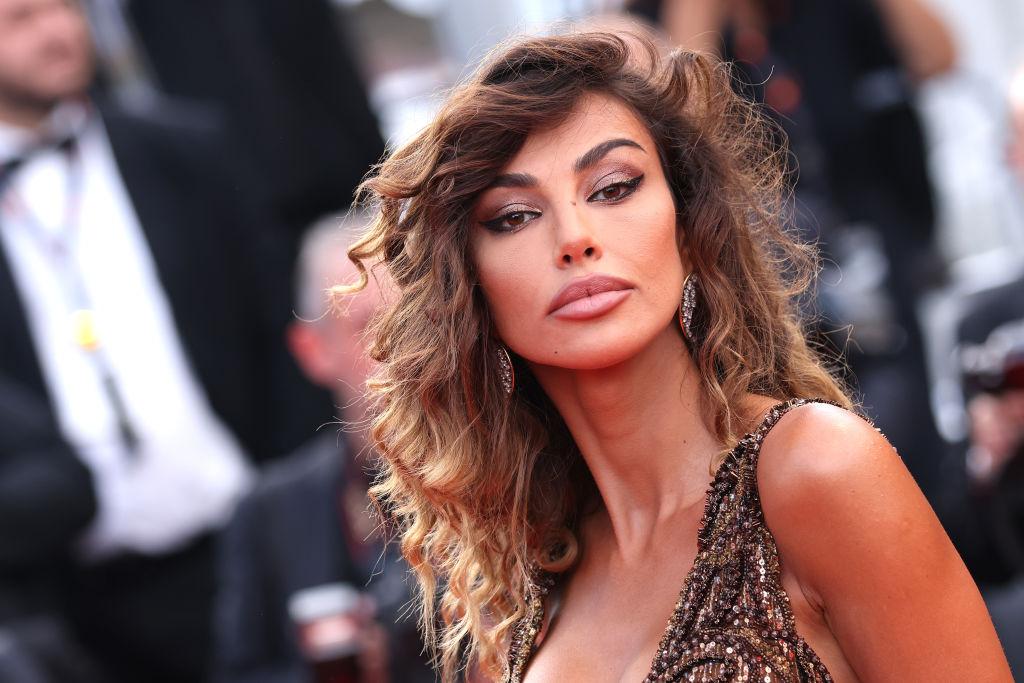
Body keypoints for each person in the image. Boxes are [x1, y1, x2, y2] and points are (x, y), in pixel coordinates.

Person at [339, 31, 1012, 681]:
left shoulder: (813, 469)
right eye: (514, 215)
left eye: (613, 187)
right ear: (471, 287)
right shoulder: (518, 597)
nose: (575, 237)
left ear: (689, 229)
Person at [0, 0, 327, 680]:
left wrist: (296, 509)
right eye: (21, 18)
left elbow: (277, 327)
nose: (57, 31)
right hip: (83, 601)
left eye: (64, 8)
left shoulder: (185, 149)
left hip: (248, 541)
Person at [214, 213, 433, 683]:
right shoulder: (270, 512)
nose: (400, 348)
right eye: (368, 325)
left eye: (413, 319)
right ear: (312, 350)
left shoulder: (511, 473)